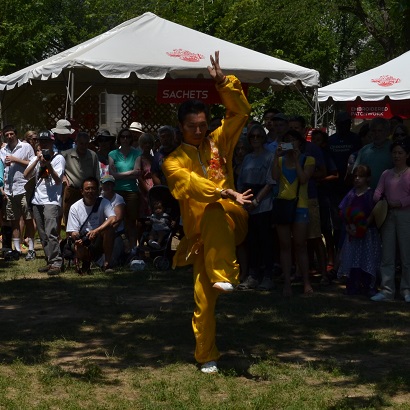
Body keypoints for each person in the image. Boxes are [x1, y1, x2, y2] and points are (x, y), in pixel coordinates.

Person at [162, 51, 252, 374]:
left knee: (215, 210)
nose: (199, 132)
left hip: (231, 217)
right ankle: (206, 356)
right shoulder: (172, 161)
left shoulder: (219, 140)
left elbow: (241, 112)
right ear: (180, 127)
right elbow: (189, 184)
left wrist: (221, 83)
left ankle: (226, 274)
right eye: (192, 127)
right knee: (202, 298)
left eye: (202, 125)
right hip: (202, 238)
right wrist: (220, 188)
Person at [272, 129, 315, 297]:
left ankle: (306, 282)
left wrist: (296, 160)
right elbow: (274, 177)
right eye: (287, 140)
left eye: (293, 140)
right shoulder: (280, 161)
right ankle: (287, 284)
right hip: (283, 204)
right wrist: (276, 157)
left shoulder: (308, 159)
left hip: (300, 206)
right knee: (285, 245)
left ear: (300, 143)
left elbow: (304, 179)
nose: (290, 143)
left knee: (300, 245)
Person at [236, 124, 275, 290]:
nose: (255, 139)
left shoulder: (270, 156)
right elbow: (241, 181)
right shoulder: (247, 158)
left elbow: (270, 182)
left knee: (265, 241)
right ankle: (253, 275)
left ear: (264, 138)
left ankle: (268, 276)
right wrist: (242, 200)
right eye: (252, 136)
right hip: (247, 202)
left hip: (263, 204)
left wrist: (256, 202)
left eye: (259, 136)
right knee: (251, 241)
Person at [371, 139, 410, 303]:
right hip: (387, 215)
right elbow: (377, 192)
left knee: (406, 254)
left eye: (400, 152)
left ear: (407, 155)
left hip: (405, 215)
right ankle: (387, 290)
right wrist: (380, 201)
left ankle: (406, 289)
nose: (397, 155)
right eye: (394, 152)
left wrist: (400, 203)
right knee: (387, 254)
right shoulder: (386, 173)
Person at [24, 130, 66, 275]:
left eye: (46, 141)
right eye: (41, 141)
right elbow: (26, 174)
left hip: (51, 200)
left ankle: (57, 262)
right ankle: (50, 260)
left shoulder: (58, 158)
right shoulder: (37, 157)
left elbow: (58, 179)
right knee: (42, 234)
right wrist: (37, 160)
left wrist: (48, 164)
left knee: (51, 232)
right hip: (37, 200)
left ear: (52, 142)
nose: (43, 144)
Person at [337, 165, 380, 295]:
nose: (357, 179)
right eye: (355, 176)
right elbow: (343, 210)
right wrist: (348, 226)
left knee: (367, 258)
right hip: (352, 232)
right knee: (353, 258)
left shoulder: (371, 194)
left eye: (360, 176)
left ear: (367, 178)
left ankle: (368, 285)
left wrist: (364, 225)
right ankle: (353, 284)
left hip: (368, 234)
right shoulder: (351, 194)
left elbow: (375, 211)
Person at [66, 176, 116, 274]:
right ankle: (85, 262)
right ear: (82, 191)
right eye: (87, 189)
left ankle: (107, 264)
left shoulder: (104, 202)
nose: (90, 191)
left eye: (93, 188)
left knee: (110, 229)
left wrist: (96, 231)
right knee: (77, 245)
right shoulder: (75, 207)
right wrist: (77, 237)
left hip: (99, 237)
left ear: (98, 190)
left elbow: (112, 218)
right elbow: (72, 231)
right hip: (83, 239)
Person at [0, 125, 36, 261]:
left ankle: (31, 249)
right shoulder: (3, 150)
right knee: (14, 221)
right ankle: (17, 249)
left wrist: (16, 160)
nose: (9, 137)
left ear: (16, 134)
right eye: (6, 134)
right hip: (10, 190)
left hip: (24, 187)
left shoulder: (25, 147)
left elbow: (33, 163)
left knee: (28, 219)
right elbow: (2, 169)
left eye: (11, 134)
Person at [108, 128, 140, 252]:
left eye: (128, 137)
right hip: (117, 191)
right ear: (119, 139)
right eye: (123, 137)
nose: (125, 139)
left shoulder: (136, 153)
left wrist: (121, 174)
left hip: (132, 191)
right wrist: (131, 172)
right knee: (116, 220)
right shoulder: (112, 154)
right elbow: (112, 174)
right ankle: (115, 248)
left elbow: (137, 174)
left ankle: (133, 249)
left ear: (131, 139)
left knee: (132, 222)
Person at [62, 131, 100, 224]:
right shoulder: (66, 154)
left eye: (86, 144)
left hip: (88, 191)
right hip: (72, 190)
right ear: (76, 142)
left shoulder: (93, 155)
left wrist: (97, 189)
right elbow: (57, 169)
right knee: (69, 218)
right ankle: (70, 237)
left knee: (88, 217)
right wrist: (63, 177)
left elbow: (97, 173)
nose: (83, 146)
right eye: (81, 143)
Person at [353, 117, 393, 190]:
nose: (376, 134)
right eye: (373, 131)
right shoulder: (364, 150)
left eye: (380, 131)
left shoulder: (394, 150)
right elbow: (356, 173)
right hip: (366, 195)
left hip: (388, 196)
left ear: (387, 132)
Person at [100, 175, 128, 264]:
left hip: (115, 232)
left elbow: (118, 219)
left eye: (110, 184)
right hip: (99, 231)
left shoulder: (119, 199)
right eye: (105, 184)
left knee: (113, 260)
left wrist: (107, 231)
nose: (108, 187)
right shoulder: (99, 198)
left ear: (113, 186)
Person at [136, 133, 155, 217]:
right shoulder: (139, 158)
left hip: (155, 186)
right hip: (144, 186)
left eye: (149, 143)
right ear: (141, 144)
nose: (147, 145)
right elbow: (139, 176)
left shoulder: (154, 158)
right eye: (145, 143)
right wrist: (147, 189)